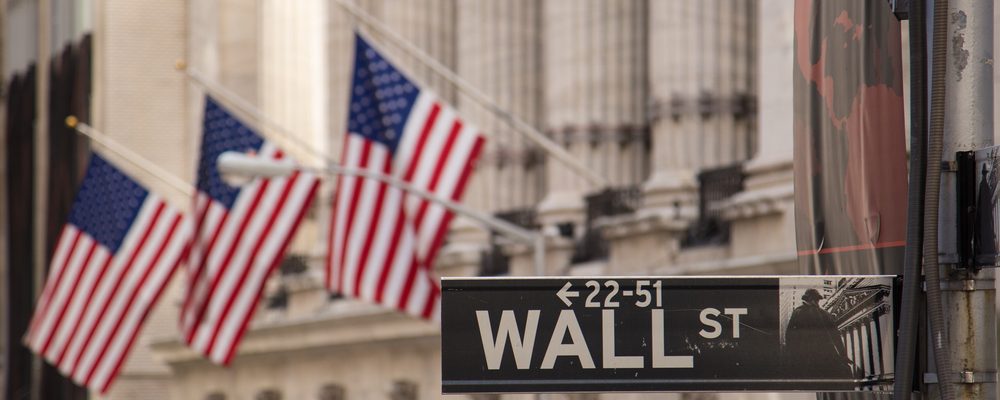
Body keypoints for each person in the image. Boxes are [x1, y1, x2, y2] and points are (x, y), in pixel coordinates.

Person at [784, 289, 855, 383]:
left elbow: (789, 336)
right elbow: (836, 337)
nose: (816, 302)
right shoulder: (825, 314)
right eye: (815, 299)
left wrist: (793, 354)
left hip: (807, 358)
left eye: (817, 299)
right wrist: (843, 356)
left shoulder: (798, 312)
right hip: (825, 356)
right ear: (810, 299)